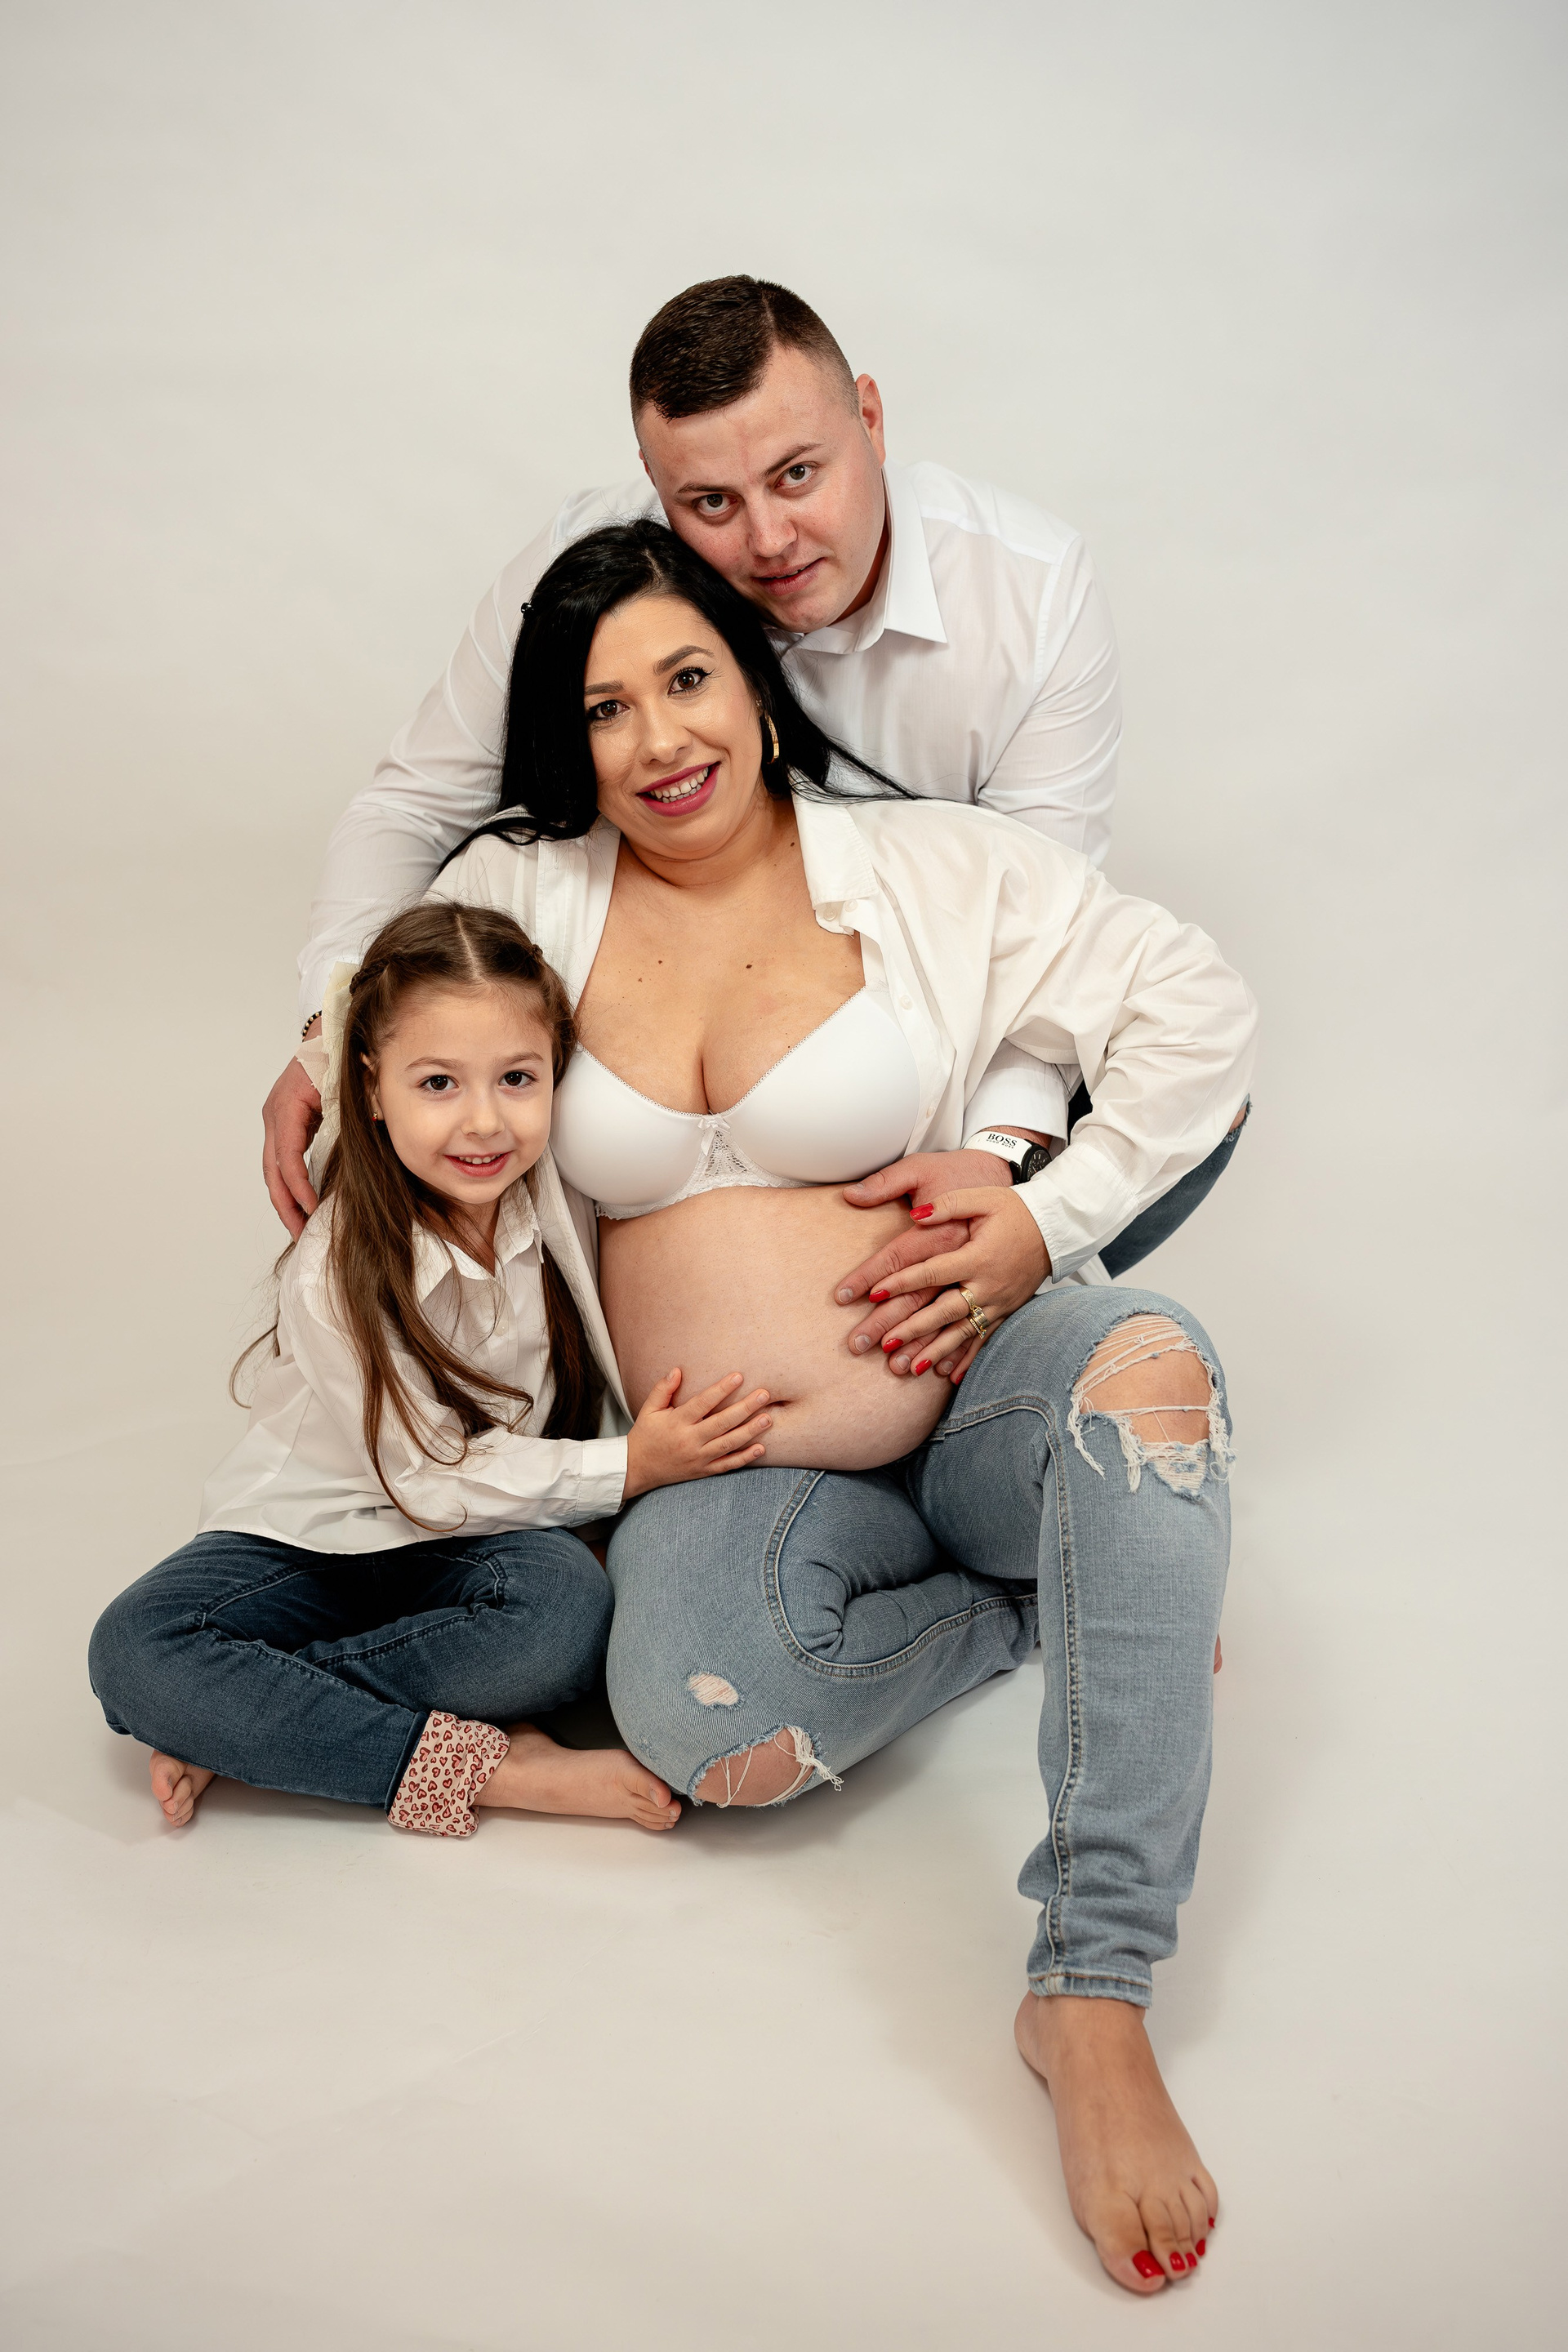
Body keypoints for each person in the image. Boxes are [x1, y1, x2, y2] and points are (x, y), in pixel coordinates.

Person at [427, 518, 1256, 2296]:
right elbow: (394, 1051)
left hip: (972, 1397)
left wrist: (1042, 1214)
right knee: (705, 1730)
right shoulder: (524, 902)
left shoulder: (930, 867)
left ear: (754, 679)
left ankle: (1092, 1986)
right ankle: (1060, 1601)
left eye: (687, 677)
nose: (659, 739)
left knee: (1151, 1368)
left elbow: (1195, 1008)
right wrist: (308, 1048)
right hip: (736, 1473)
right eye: (605, 708)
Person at [261, 275, 1244, 1289]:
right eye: (711, 504)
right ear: (656, 489)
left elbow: (1037, 953)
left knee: (1174, 1100)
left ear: (871, 419)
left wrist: (1008, 1163)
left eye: (798, 475)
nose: (769, 540)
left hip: (944, 1041)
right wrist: (329, 1030)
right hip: (661, 1014)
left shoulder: (1027, 594)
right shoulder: (596, 579)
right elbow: (411, 806)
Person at [87, 902, 777, 1840]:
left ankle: (249, 1723)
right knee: (135, 1653)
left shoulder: (556, 1194)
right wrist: (631, 1466)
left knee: (564, 1616)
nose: (483, 1122)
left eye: (517, 1078)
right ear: (371, 1090)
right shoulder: (343, 1265)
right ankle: (488, 1767)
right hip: (315, 1531)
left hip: (478, 1539)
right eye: (439, 1082)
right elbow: (426, 1478)